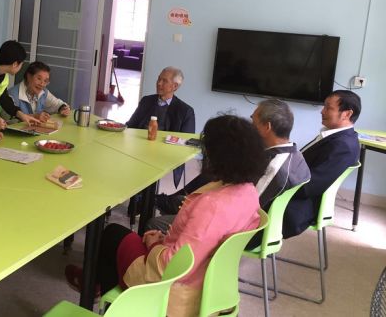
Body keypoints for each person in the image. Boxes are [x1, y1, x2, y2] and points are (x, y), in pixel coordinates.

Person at [66, 115, 269, 317]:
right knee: (119, 238)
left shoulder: (213, 206)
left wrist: (155, 244)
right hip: (209, 282)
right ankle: (97, 285)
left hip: (175, 291)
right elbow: (201, 244)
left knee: (112, 234)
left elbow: (172, 268)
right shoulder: (249, 192)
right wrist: (167, 239)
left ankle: (108, 297)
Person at [148, 99, 311, 246]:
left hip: (241, 233)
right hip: (255, 222)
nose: (250, 126)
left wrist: (202, 206)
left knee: (155, 223)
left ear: (267, 127)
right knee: (207, 183)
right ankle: (168, 201)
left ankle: (164, 207)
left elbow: (247, 209)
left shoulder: (275, 168)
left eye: (253, 121)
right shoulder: (296, 155)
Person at [283, 90, 361, 238]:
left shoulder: (343, 146)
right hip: (293, 196)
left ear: (347, 114)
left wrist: (275, 184)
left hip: (292, 208)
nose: (322, 111)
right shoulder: (337, 137)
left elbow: (308, 187)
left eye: (328, 108)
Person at [127, 67, 195, 186]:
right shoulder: (146, 101)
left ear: (175, 86)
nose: (159, 83)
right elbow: (130, 125)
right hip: (138, 151)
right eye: (158, 79)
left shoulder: (185, 111)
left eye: (164, 81)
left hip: (164, 158)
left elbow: (186, 144)